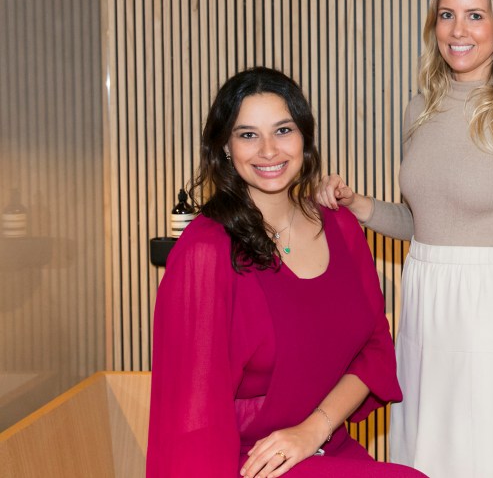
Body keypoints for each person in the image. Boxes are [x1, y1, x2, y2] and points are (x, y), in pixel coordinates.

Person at [316, 0, 493, 477]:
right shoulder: (419, 110)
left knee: (484, 462)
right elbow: (423, 222)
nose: (458, 30)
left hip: (492, 313)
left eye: (476, 15)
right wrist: (359, 205)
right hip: (422, 304)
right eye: (447, 15)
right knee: (421, 458)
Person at [147, 67, 426, 478]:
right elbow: (190, 414)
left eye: (282, 130)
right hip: (246, 461)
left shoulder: (342, 227)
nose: (268, 150)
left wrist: (312, 432)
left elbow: (375, 352)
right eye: (247, 135)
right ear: (225, 147)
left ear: (304, 138)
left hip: (322, 443)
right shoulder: (205, 251)